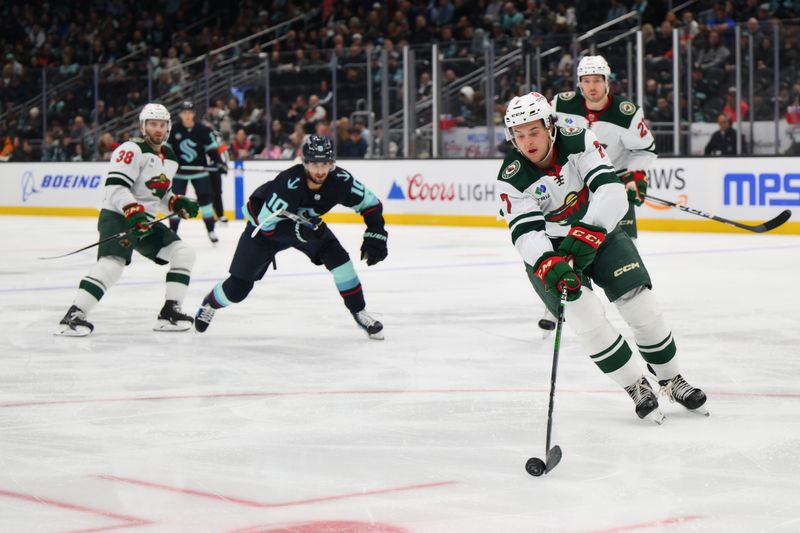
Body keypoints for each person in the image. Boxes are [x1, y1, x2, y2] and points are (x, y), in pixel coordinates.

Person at [496, 92, 707, 422]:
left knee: (642, 304)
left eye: (533, 131)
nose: (527, 141)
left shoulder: (578, 139)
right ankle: (637, 386)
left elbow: (611, 191)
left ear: (550, 127)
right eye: (519, 135)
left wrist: (589, 231)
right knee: (587, 318)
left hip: (599, 234)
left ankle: (671, 378)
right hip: (554, 254)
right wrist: (547, 262)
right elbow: (525, 234)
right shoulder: (512, 177)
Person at [194, 135, 388, 339]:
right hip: (262, 231)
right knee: (238, 289)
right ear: (304, 162)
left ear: (332, 163)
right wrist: (300, 232)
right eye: (314, 164)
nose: (320, 171)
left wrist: (376, 232)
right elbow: (268, 228)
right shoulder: (287, 185)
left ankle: (359, 311)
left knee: (340, 261)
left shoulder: (341, 180)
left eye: (325, 164)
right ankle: (210, 303)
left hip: (307, 226)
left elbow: (371, 204)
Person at [56, 103, 199, 336]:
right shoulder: (130, 149)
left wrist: (175, 202)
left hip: (146, 221)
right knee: (112, 264)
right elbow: (116, 188)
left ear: (168, 127)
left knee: (184, 253)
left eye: (162, 125)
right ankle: (73, 316)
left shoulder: (170, 157)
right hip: (118, 215)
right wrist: (133, 212)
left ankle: (170, 312)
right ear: (143, 126)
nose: (158, 129)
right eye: (153, 124)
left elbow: (159, 193)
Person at [545, 55, 657, 332]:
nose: (591, 86)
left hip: (611, 184)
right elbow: (546, 135)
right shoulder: (561, 104)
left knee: (622, 243)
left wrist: (634, 177)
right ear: (579, 84)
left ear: (608, 82)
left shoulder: (627, 112)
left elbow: (644, 150)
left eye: (597, 80)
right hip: (574, 186)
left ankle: (634, 300)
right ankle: (557, 305)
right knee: (566, 243)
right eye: (586, 81)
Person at [168, 101, 226, 243]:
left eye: (190, 112)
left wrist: (219, 162)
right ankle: (172, 232)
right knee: (176, 201)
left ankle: (211, 230)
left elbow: (212, 149)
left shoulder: (203, 130)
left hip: (200, 171)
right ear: (180, 114)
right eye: (184, 112)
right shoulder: (173, 130)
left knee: (206, 200)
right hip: (179, 173)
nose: (187, 115)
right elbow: (166, 151)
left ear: (194, 114)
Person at [208, 128, 230, 223]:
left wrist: (224, 165)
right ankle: (209, 215)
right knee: (206, 194)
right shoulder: (201, 135)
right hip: (204, 169)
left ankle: (220, 215)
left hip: (215, 169)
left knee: (217, 192)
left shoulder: (217, 138)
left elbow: (224, 154)